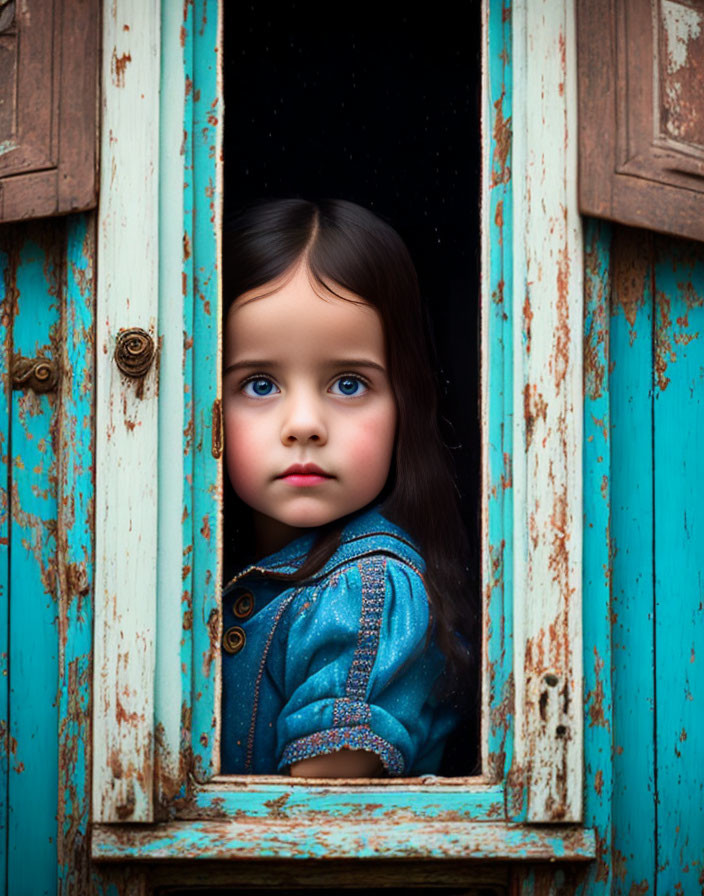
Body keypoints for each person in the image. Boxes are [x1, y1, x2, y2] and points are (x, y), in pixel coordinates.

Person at [221, 198, 475, 777]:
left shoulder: (365, 592)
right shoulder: (213, 573)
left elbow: (319, 831)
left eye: (348, 382)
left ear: (402, 406)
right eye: (260, 384)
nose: (304, 423)